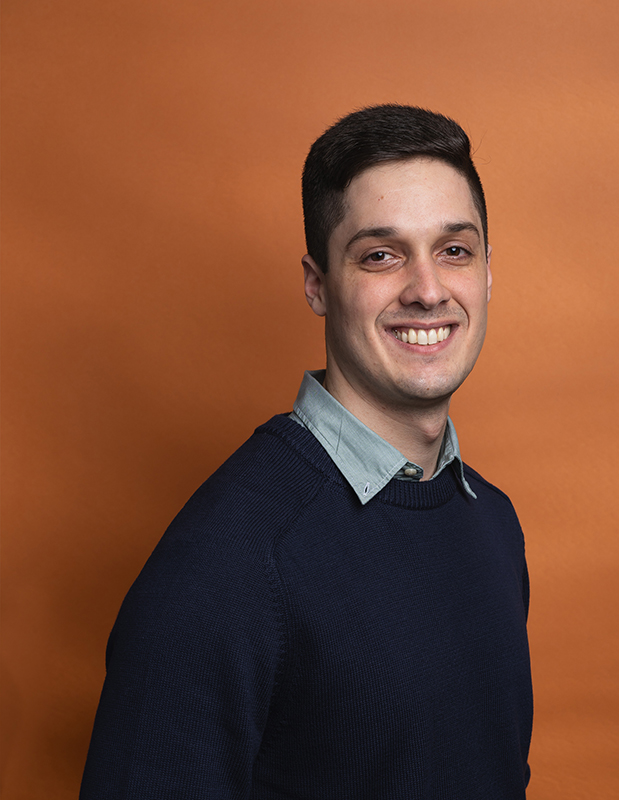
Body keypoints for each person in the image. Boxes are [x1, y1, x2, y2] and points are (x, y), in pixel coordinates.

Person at [80, 104, 533, 799]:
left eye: (454, 250)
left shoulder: (493, 525)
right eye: (380, 255)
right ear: (317, 284)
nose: (429, 289)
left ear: (488, 271)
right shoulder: (225, 566)